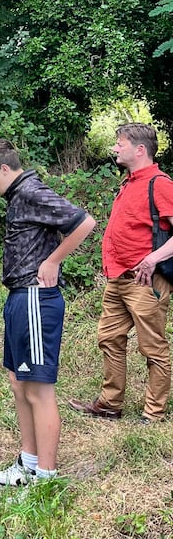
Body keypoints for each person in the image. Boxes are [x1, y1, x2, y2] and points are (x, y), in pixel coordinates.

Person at [0, 138, 96, 488]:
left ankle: (46, 480)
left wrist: (53, 261)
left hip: (37, 300)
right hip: (19, 298)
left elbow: (84, 223)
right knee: (18, 383)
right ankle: (27, 465)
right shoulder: (18, 195)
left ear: (4, 168)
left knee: (39, 390)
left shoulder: (31, 191)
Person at [69, 123, 173, 424]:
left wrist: (152, 259)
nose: (115, 148)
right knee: (109, 339)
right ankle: (110, 404)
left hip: (146, 283)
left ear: (140, 150)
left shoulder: (160, 184)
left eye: (120, 143)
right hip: (117, 279)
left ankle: (153, 413)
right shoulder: (129, 182)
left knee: (152, 348)